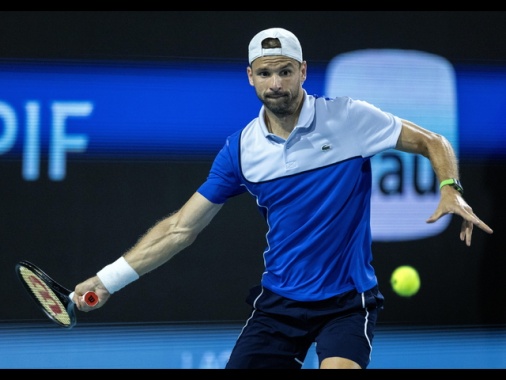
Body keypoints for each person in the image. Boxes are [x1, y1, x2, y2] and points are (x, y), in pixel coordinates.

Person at [72, 27, 494, 369]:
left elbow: (431, 141)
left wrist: (450, 189)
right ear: (250, 76)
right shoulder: (241, 151)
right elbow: (181, 228)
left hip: (347, 301)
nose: (277, 84)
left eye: (286, 72)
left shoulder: (349, 117)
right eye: (266, 73)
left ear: (304, 71)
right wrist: (107, 281)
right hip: (279, 305)